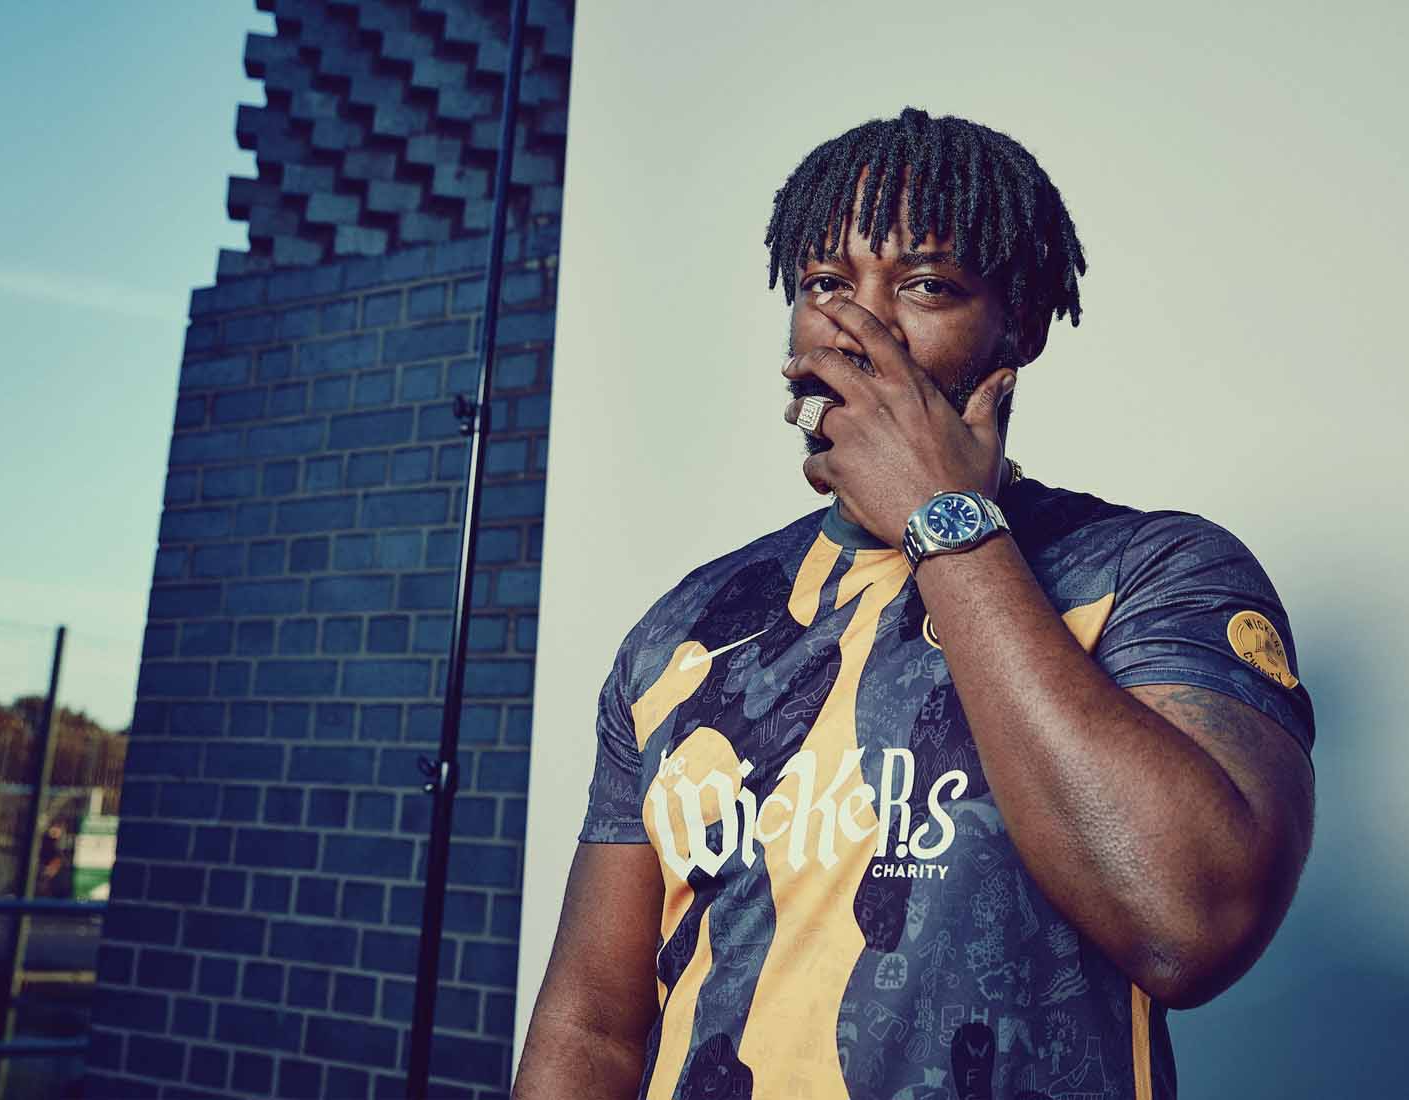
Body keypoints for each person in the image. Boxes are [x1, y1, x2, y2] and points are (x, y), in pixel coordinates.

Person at [514, 106, 1316, 1100]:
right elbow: (591, 1025)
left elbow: (1187, 925)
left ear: (1020, 325)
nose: (862, 328)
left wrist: (942, 517)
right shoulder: (682, 631)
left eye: (927, 285)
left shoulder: (1153, 574)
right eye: (825, 285)